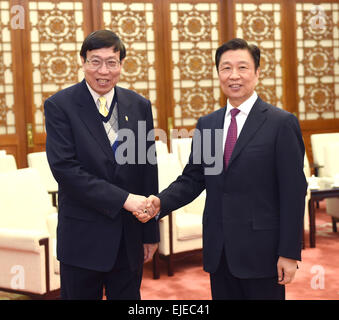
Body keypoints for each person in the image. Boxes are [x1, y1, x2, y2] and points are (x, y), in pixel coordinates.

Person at [134, 38, 307, 300]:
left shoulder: (281, 123)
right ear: (218, 74)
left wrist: (290, 252)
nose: (234, 75)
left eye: (243, 68)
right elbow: (193, 179)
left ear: (257, 73)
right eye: (226, 68)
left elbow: (294, 193)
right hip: (220, 251)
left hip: (263, 253)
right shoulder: (208, 124)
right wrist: (161, 202)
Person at [44, 30, 159, 300]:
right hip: (82, 239)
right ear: (83, 61)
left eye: (111, 62)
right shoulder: (60, 106)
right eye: (95, 61)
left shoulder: (139, 105)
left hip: (128, 238)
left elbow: (147, 170)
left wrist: (150, 231)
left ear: (121, 65)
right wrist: (124, 200)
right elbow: (66, 169)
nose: (103, 70)